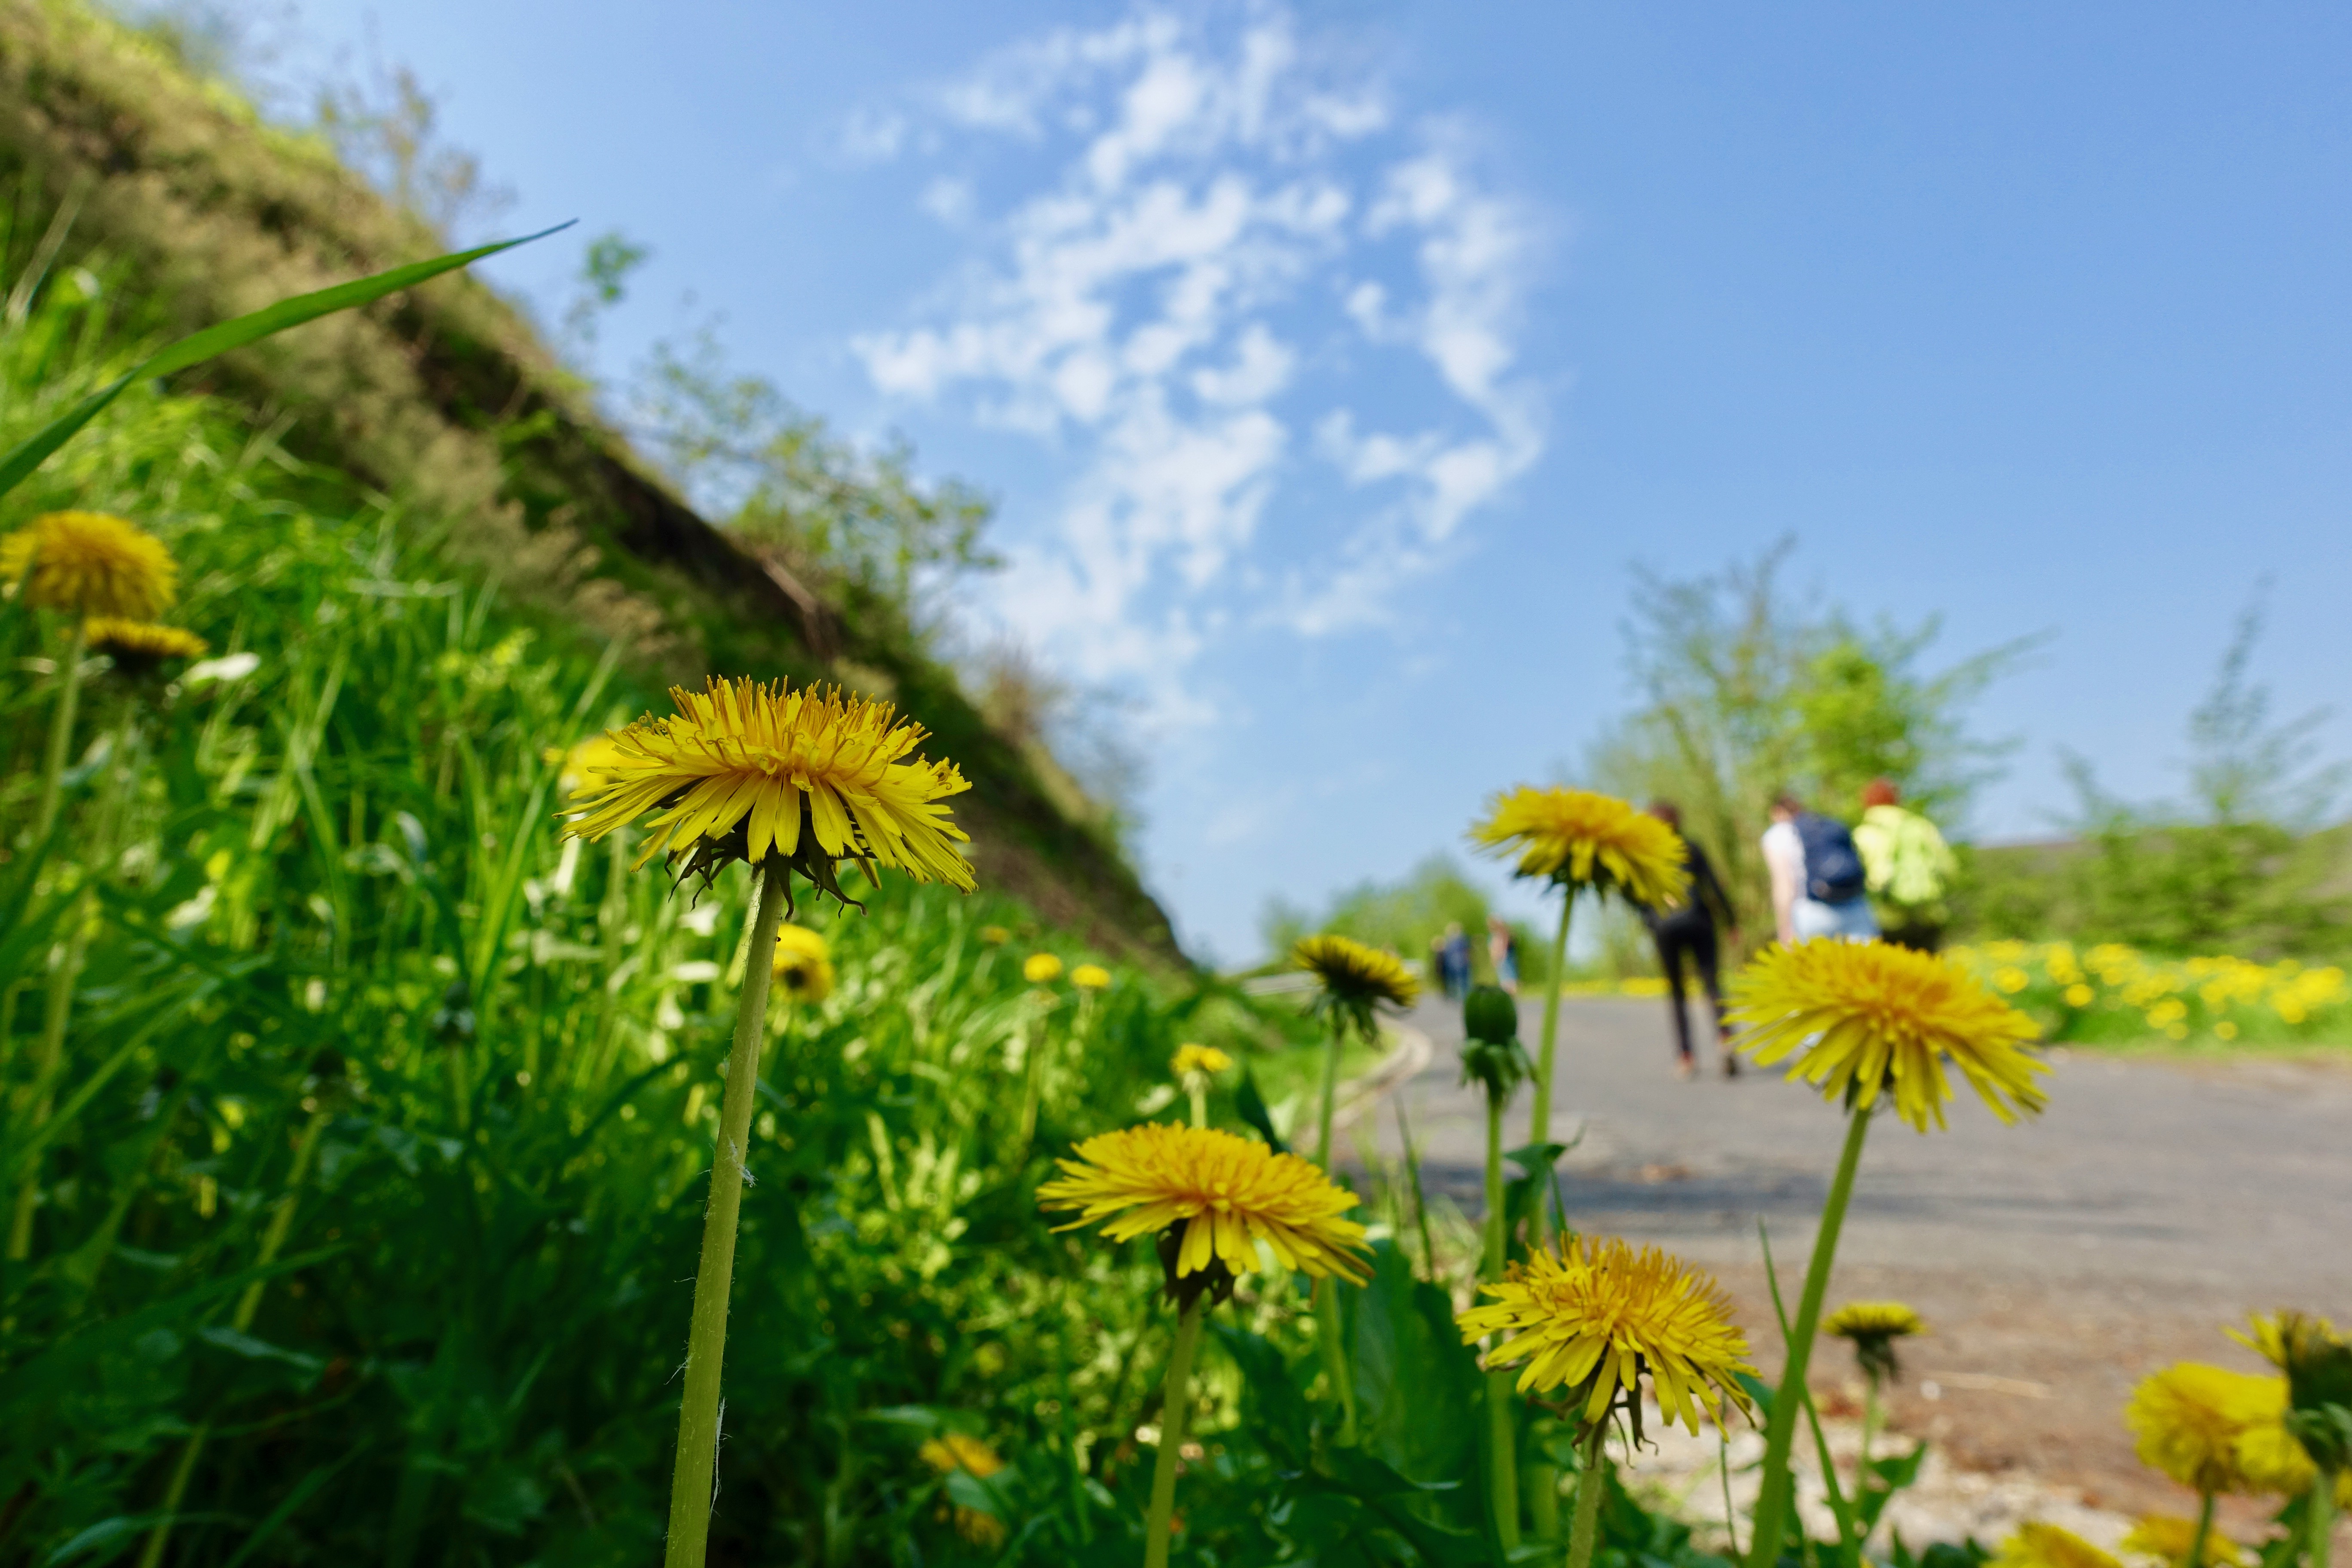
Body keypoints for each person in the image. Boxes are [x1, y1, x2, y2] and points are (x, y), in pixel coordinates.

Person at [1637, 803, 1742, 1079]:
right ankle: (1725, 1040)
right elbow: (1713, 885)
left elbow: (1633, 892)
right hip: (1699, 921)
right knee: (1712, 984)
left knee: (1677, 993)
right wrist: (1731, 921)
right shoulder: (1691, 847)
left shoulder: (1646, 854)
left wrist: (1647, 918)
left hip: (1664, 926)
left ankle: (1686, 1057)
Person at [1852, 778, 1958, 952]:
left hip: (1885, 916)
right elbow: (1949, 867)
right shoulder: (1922, 826)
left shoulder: (1864, 833)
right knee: (1928, 973)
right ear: (1897, 800)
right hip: (1928, 913)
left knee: (1889, 974)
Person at [1762, 790, 1879, 944]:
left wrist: (1784, 928)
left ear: (1777, 812)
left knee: (1811, 967)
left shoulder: (1778, 834)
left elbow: (1784, 886)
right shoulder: (1829, 825)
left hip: (1811, 911)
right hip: (1855, 906)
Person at [1486, 914, 1521, 995]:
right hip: (1502, 958)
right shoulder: (1497, 934)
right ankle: (1509, 995)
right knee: (1506, 978)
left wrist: (1498, 956)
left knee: (1508, 978)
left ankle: (1510, 995)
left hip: (1503, 958)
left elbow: (1501, 947)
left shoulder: (1501, 934)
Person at [1439, 921, 1473, 998]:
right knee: (1454, 981)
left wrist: (1468, 960)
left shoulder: (1462, 939)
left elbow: (1467, 951)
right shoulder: (1450, 941)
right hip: (1452, 965)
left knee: (1464, 981)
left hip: (1461, 964)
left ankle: (1466, 996)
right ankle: (1456, 996)